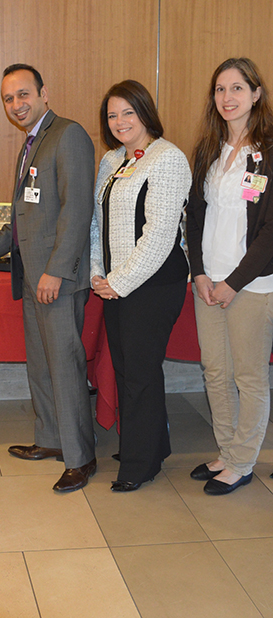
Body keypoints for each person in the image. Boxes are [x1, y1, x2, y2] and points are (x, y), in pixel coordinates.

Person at [0, 64, 96, 492]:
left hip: (56, 278)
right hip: (32, 276)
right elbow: (30, 213)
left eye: (23, 95)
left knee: (65, 366)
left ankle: (81, 457)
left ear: (44, 93)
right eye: (8, 98)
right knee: (41, 365)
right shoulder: (32, 142)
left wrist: (56, 271)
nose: (16, 105)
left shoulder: (68, 135)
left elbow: (76, 211)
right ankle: (52, 441)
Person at [90, 80, 191, 492]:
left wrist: (120, 281)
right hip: (116, 284)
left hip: (153, 285)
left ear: (145, 112)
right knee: (127, 367)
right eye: (112, 115)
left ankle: (140, 462)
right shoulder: (113, 160)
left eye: (128, 112)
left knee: (141, 372)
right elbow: (98, 222)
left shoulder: (168, 159)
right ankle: (150, 444)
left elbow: (160, 234)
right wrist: (100, 273)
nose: (119, 122)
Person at [187, 58, 273, 496]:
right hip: (208, 283)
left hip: (252, 285)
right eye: (220, 89)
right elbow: (195, 216)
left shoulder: (268, 152)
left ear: (256, 94)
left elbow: (269, 232)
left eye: (237, 88)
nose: (227, 98)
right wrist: (199, 273)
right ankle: (227, 450)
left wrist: (233, 282)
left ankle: (242, 461)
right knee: (215, 372)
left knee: (249, 376)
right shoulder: (209, 150)